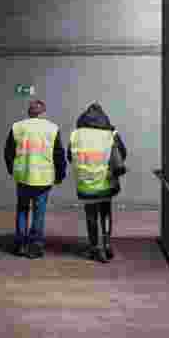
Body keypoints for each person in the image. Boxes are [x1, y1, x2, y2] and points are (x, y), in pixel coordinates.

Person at [4, 99, 67, 258]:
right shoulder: (52, 128)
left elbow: (8, 151)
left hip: (23, 176)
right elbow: (59, 154)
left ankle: (20, 244)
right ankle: (35, 245)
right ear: (43, 113)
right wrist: (60, 174)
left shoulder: (17, 127)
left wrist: (12, 169)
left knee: (22, 210)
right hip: (43, 178)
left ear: (29, 113)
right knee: (39, 211)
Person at [68, 102, 127, 263]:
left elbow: (69, 156)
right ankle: (107, 245)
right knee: (106, 213)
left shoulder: (76, 135)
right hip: (105, 182)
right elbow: (123, 153)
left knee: (91, 215)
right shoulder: (110, 134)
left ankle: (94, 247)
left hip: (86, 182)